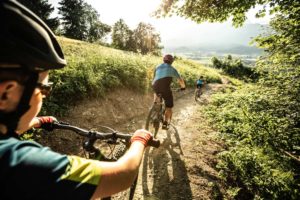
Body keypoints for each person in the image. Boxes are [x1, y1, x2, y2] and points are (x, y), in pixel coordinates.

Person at [0, 0, 153, 199]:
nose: (44, 96)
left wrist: (37, 121)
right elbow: (122, 175)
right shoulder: (21, 164)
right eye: (44, 88)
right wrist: (140, 140)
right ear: (6, 93)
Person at [152, 54, 186, 130]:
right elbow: (180, 80)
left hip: (155, 86)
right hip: (165, 89)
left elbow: (154, 78)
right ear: (171, 61)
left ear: (164, 60)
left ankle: (155, 105)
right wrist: (183, 87)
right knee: (169, 107)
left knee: (156, 91)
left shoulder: (157, 67)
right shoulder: (173, 69)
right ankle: (165, 122)